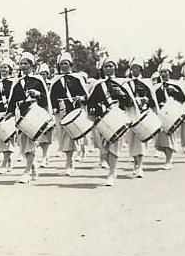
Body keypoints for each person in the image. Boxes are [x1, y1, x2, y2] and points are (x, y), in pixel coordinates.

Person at [88, 57, 134, 186]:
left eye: (111, 66)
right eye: (106, 67)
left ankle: (111, 173)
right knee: (103, 150)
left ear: (115, 68)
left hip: (118, 117)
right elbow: (91, 103)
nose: (108, 69)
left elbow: (130, 102)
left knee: (114, 145)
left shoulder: (122, 83)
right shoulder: (97, 85)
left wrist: (122, 95)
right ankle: (113, 169)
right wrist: (97, 108)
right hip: (102, 119)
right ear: (102, 69)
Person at [6, 52, 50, 184]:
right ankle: (33, 166)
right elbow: (12, 99)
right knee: (23, 144)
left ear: (32, 65)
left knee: (30, 143)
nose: (23, 66)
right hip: (21, 113)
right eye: (22, 63)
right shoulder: (17, 82)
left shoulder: (38, 80)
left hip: (33, 113)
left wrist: (38, 94)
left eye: (26, 63)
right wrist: (10, 111)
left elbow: (45, 99)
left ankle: (26, 172)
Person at [49, 52, 88, 176]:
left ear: (70, 64)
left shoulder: (77, 78)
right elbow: (52, 96)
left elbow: (86, 95)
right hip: (61, 109)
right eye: (61, 64)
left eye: (66, 63)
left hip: (75, 109)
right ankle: (68, 160)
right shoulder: (56, 80)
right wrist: (54, 107)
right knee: (64, 135)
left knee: (73, 134)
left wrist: (80, 98)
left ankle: (71, 160)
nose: (64, 66)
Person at [123, 59, 155, 177]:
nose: (134, 70)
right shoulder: (126, 84)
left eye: (136, 68)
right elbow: (124, 100)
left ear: (141, 69)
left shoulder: (146, 83)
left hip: (142, 113)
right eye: (132, 68)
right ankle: (135, 163)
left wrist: (146, 100)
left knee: (141, 139)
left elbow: (153, 100)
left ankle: (140, 166)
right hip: (131, 113)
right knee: (131, 140)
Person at [152, 63, 185, 169]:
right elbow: (152, 100)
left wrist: (175, 92)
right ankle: (167, 156)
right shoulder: (156, 87)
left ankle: (168, 160)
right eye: (162, 72)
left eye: (166, 71)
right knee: (161, 138)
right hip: (161, 114)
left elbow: (183, 98)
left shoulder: (175, 85)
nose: (164, 74)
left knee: (169, 136)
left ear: (169, 73)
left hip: (172, 114)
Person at [36, 62, 54, 168]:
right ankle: (45, 156)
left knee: (47, 134)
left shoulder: (51, 84)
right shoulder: (36, 84)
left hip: (48, 110)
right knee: (40, 134)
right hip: (39, 110)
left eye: (44, 74)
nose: (43, 76)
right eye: (41, 73)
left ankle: (44, 156)